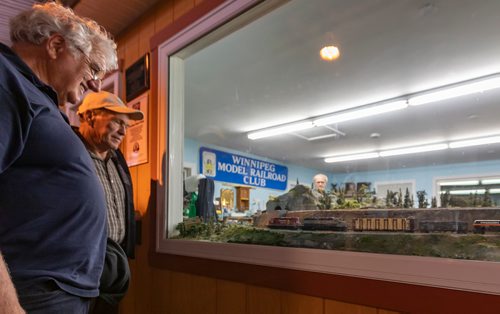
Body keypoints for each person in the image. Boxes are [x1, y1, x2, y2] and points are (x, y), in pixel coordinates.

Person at [0, 2, 117, 313]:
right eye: (93, 68)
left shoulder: (36, 95)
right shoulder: (6, 80)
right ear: (55, 45)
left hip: (56, 289)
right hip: (29, 293)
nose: (95, 83)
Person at [77, 91, 143, 313]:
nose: (124, 131)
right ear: (90, 117)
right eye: (117, 122)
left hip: (112, 268)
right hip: (79, 267)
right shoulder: (70, 153)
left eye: (126, 125)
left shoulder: (117, 158)